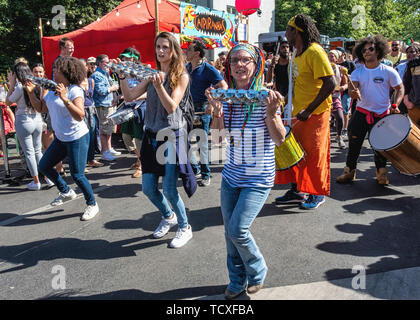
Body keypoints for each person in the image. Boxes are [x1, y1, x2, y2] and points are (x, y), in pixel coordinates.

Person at [205, 43, 286, 300]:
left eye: (245, 60)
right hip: (231, 176)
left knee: (238, 229)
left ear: (256, 65)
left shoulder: (266, 97)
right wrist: (216, 113)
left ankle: (257, 269)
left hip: (258, 177)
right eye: (234, 61)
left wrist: (272, 115)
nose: (239, 65)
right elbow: (218, 141)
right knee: (230, 234)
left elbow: (280, 139)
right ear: (229, 67)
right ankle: (237, 281)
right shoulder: (226, 97)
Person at [119, 31, 196, 248]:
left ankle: (184, 226)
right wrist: (122, 76)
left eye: (165, 47)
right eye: (158, 47)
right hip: (151, 136)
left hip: (171, 137)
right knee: (148, 188)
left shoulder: (181, 75)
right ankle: (168, 216)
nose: (161, 51)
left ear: (174, 50)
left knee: (170, 189)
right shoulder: (152, 73)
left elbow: (172, 107)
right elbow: (129, 97)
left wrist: (159, 85)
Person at [26, 56, 99, 221]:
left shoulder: (74, 90)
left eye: (57, 69)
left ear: (66, 72)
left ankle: (92, 204)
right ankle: (66, 191)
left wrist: (65, 98)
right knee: (44, 165)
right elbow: (40, 108)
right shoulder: (52, 90)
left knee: (77, 175)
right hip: (61, 138)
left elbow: (80, 116)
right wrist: (31, 93)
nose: (53, 71)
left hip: (77, 138)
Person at [275, 14, 335, 210]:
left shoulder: (315, 52)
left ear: (296, 31)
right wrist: (286, 103)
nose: (285, 34)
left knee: (314, 155)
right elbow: (297, 84)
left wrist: (309, 110)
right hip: (298, 113)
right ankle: (298, 190)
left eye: (287, 30)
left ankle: (317, 193)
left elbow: (330, 83)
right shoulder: (296, 53)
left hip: (315, 114)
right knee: (295, 153)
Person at [336, 35, 404, 185]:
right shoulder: (357, 73)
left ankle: (381, 174)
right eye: (364, 50)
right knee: (354, 145)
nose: (367, 52)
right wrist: (353, 93)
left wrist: (395, 105)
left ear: (379, 51)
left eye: (371, 49)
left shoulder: (388, 71)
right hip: (361, 113)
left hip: (382, 115)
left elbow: (399, 89)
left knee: (380, 147)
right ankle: (349, 172)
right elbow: (352, 89)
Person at [185, 40, 227, 186]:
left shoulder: (208, 68)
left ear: (197, 53)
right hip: (187, 108)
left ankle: (205, 174)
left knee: (202, 143)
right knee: (185, 142)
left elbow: (223, 86)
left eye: (189, 49)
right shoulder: (186, 67)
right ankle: (195, 168)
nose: (186, 51)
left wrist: (211, 103)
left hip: (202, 109)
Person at [5, 62, 54, 190]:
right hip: (37, 120)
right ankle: (48, 177)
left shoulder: (21, 88)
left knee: (29, 153)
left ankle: (36, 181)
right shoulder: (38, 86)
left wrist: (11, 84)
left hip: (23, 120)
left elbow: (7, 101)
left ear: (16, 74)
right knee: (38, 150)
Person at [32, 63, 65, 177]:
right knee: (43, 146)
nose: (38, 74)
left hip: (46, 117)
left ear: (44, 73)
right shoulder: (33, 84)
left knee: (49, 145)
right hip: (37, 117)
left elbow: (43, 101)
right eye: (36, 72)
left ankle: (59, 169)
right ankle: (51, 170)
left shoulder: (46, 84)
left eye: (40, 72)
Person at [118, 47, 145, 178]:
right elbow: (124, 91)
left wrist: (136, 97)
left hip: (140, 108)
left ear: (134, 58)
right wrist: (121, 97)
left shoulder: (141, 71)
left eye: (129, 57)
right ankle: (140, 158)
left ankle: (141, 165)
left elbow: (150, 91)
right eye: (124, 57)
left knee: (139, 137)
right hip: (127, 108)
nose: (126, 60)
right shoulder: (122, 72)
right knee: (126, 136)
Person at [92, 54, 121, 162]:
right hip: (103, 105)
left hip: (109, 104)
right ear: (100, 63)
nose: (108, 64)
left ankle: (109, 148)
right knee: (104, 130)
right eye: (106, 62)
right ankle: (104, 152)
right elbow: (101, 91)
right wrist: (112, 88)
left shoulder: (105, 73)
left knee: (109, 129)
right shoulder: (97, 75)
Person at [79, 58, 103, 169]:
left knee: (93, 135)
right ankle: (82, 163)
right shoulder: (75, 82)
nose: (83, 68)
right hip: (81, 110)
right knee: (83, 137)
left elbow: (91, 96)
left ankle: (91, 159)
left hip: (91, 109)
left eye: (85, 65)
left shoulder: (90, 80)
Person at [328, 49, 348, 149]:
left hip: (335, 97)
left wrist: (342, 88)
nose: (330, 58)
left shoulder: (341, 69)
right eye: (329, 56)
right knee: (325, 120)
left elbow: (346, 84)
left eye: (332, 56)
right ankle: (325, 139)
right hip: (323, 98)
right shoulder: (323, 67)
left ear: (336, 59)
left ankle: (339, 136)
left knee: (340, 117)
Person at [336, 46, 356, 136]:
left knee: (345, 110)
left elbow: (355, 77)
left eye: (338, 54)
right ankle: (338, 128)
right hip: (336, 91)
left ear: (342, 54)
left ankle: (345, 128)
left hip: (346, 91)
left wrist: (346, 74)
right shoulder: (333, 64)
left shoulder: (350, 64)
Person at [403, 45, 420, 127]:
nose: (409, 54)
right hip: (414, 105)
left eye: (412, 52)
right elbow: (406, 83)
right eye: (408, 52)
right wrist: (406, 100)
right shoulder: (413, 63)